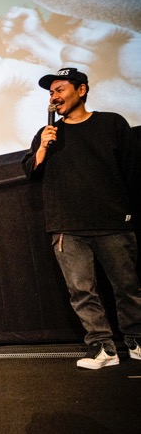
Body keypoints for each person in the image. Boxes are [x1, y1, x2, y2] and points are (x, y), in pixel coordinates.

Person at [22, 68, 141, 369]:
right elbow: (30, 171)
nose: (54, 96)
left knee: (127, 286)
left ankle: (137, 340)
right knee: (81, 291)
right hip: (68, 227)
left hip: (112, 221)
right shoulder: (48, 133)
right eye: (51, 92)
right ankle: (102, 348)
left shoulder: (111, 123)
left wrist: (128, 213)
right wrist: (42, 147)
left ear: (82, 90)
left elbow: (132, 170)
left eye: (60, 89)